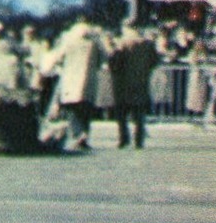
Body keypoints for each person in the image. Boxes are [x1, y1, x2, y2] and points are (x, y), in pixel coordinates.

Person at [44, 18, 105, 150]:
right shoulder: (94, 43)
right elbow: (102, 59)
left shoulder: (69, 41)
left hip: (71, 79)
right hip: (89, 81)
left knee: (73, 110)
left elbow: (58, 57)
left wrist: (53, 67)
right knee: (85, 110)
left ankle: (77, 136)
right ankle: (84, 135)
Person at [108, 24, 160, 149]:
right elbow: (155, 61)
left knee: (122, 114)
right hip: (140, 82)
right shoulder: (147, 45)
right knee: (139, 114)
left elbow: (114, 64)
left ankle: (123, 138)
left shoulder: (122, 44)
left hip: (122, 83)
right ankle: (139, 139)